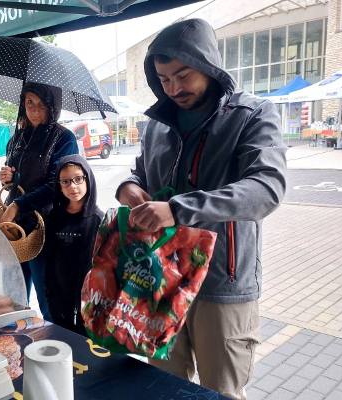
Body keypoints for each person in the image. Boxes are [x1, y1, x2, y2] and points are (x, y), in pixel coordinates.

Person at [116, 19, 286, 399]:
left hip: (221, 285)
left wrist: (177, 210)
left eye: (183, 75)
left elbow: (267, 189)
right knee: (163, 385)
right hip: (159, 277)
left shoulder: (253, 115)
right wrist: (129, 188)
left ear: (209, 66)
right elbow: (139, 173)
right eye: (163, 79)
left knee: (221, 391)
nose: (174, 88)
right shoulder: (157, 125)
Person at [0, 82, 78, 320]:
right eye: (29, 102)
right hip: (15, 227)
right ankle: (17, 344)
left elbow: (59, 184)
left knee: (49, 297)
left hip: (47, 227)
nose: (34, 110)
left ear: (53, 107)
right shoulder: (17, 139)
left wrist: (18, 204)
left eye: (41, 105)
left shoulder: (64, 138)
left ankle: (54, 348)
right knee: (13, 293)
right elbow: (15, 179)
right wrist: (9, 178)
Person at [44, 155, 103, 335]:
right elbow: (49, 257)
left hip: (88, 294)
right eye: (66, 182)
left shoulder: (99, 219)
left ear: (88, 178)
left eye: (78, 179)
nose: (73, 186)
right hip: (59, 290)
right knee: (62, 335)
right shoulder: (53, 217)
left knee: (86, 341)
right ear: (59, 186)